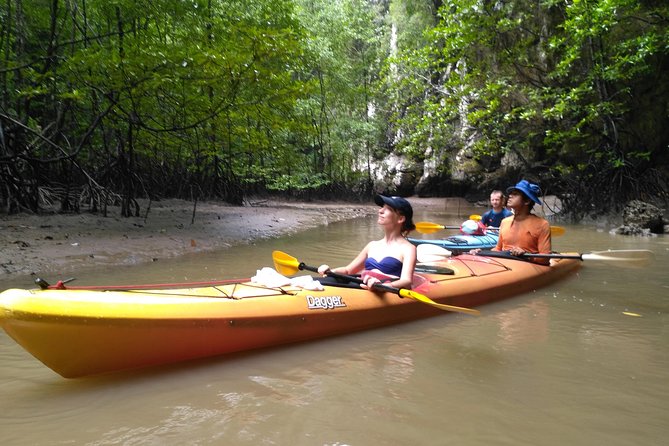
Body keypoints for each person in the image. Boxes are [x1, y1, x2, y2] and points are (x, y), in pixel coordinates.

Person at [317, 195, 417, 290]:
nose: (381, 210)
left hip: (380, 290)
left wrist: (384, 286)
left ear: (400, 219)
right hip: (360, 285)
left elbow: (407, 281)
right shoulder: (372, 245)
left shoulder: (408, 249)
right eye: (382, 207)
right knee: (327, 280)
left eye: (389, 209)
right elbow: (348, 271)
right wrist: (331, 271)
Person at [471, 180, 551, 264]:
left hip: (527, 264)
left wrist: (526, 255)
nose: (510, 196)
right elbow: (498, 249)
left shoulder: (542, 224)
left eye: (515, 194)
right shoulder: (505, 222)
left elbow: (545, 259)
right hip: (505, 263)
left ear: (527, 201)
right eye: (511, 193)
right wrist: (482, 253)